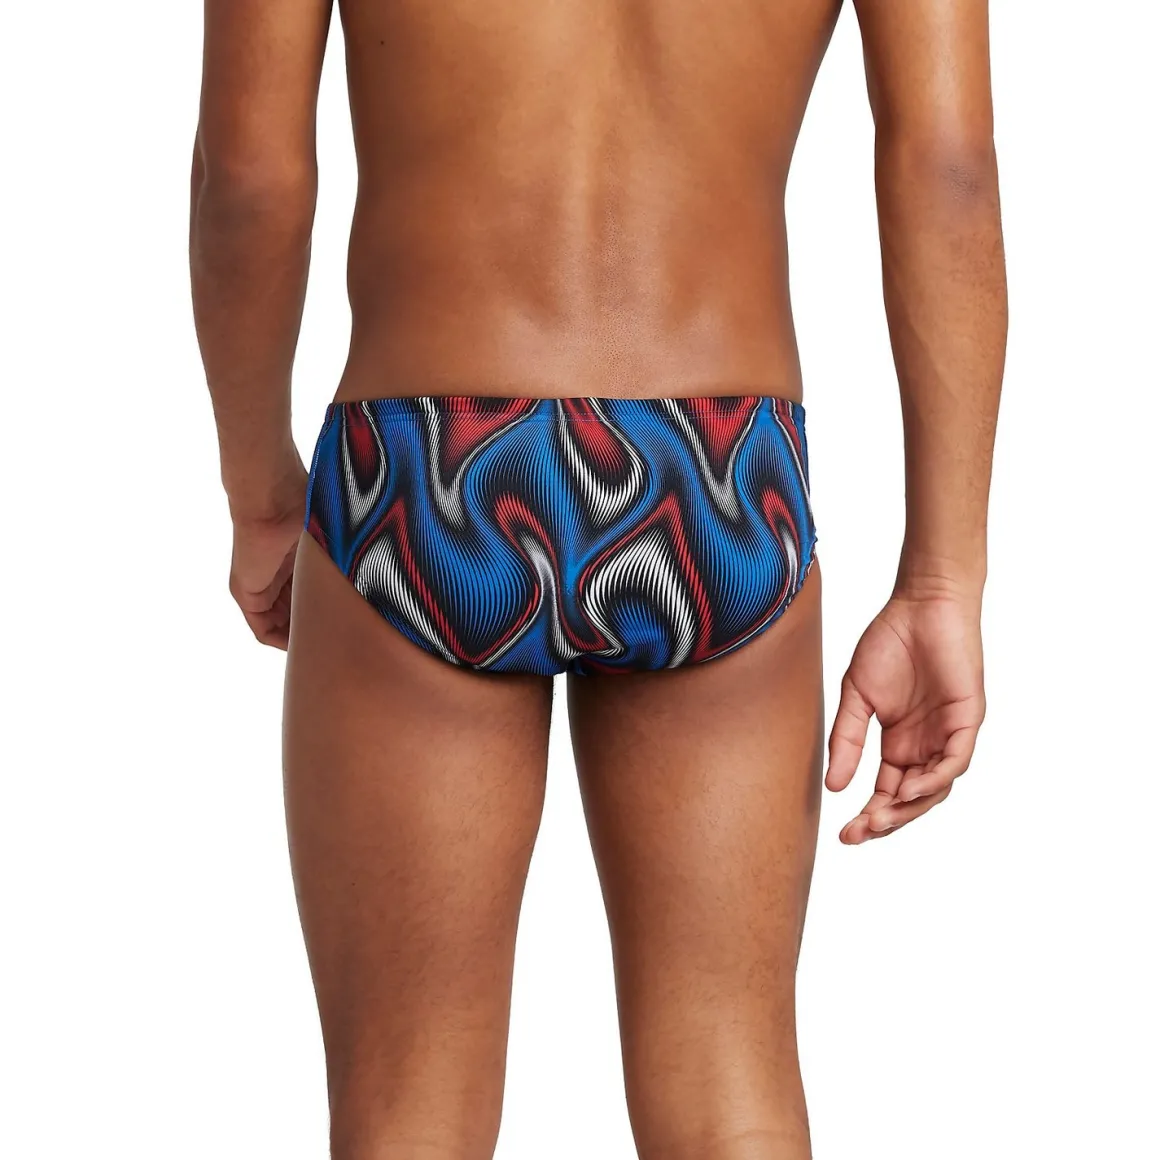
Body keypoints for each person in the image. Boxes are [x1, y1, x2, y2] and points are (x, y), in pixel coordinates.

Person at [190, 0, 1006, 1155]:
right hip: (715, 476)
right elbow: (948, 163)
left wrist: (260, 490)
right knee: (728, 1085)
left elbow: (248, 175)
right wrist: (941, 578)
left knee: (406, 1109)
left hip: (431, 471)